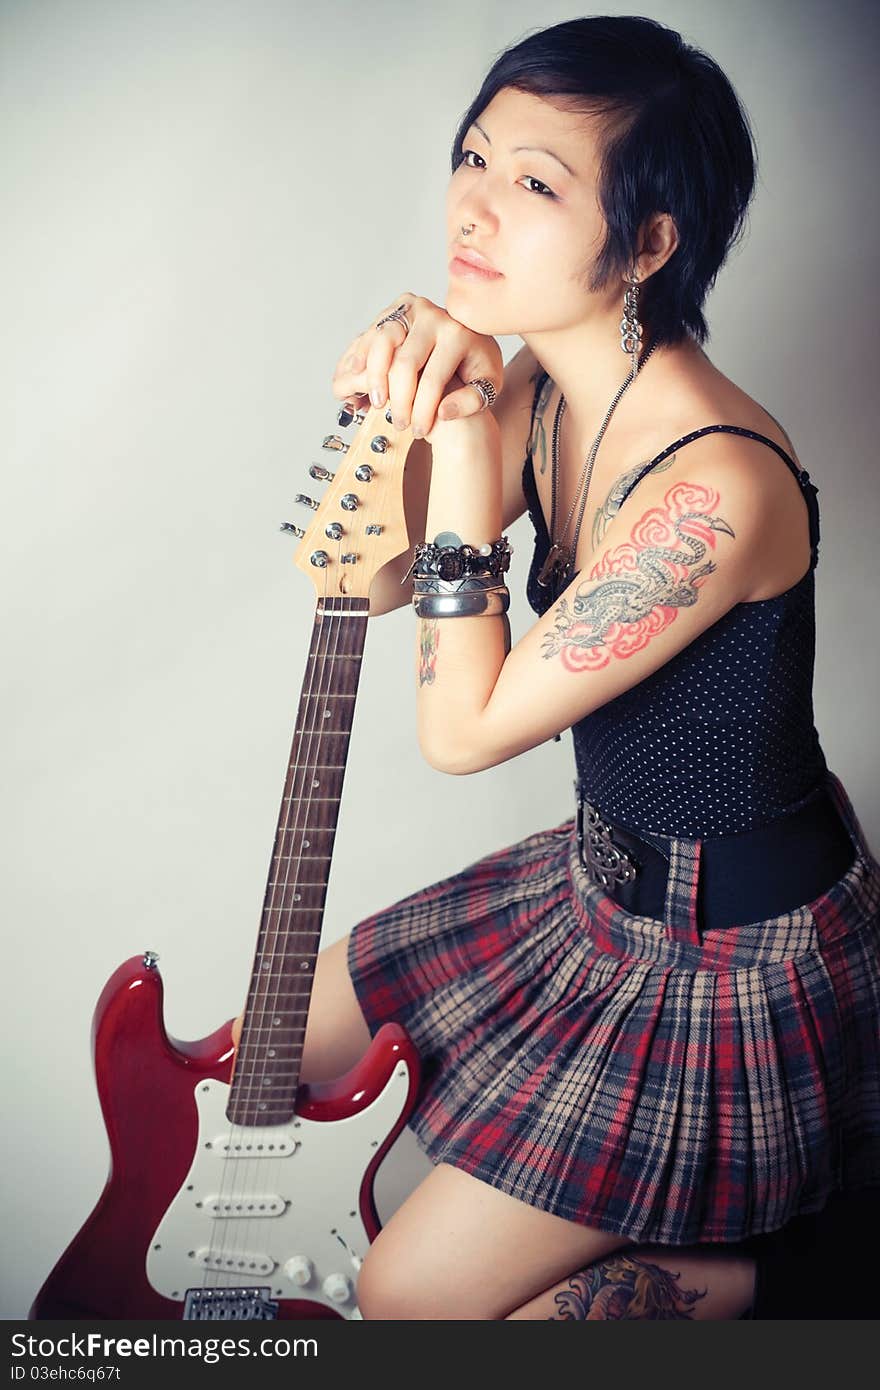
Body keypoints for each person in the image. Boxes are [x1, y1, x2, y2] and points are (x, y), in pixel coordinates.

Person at [233, 15, 880, 1319]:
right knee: (279, 1031)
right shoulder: (555, 381)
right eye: (475, 156)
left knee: (414, 1296)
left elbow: (464, 728)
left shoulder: (719, 490)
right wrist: (405, 388)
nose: (474, 204)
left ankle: (775, 1272)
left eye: (536, 182)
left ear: (647, 245)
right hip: (595, 882)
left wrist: (467, 438)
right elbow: (369, 569)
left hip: (730, 958)